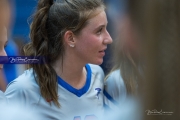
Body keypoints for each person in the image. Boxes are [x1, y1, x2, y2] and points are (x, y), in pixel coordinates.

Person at [5, 0, 112, 119]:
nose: (109, 39)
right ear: (70, 38)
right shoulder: (23, 90)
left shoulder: (98, 74)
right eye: (99, 31)